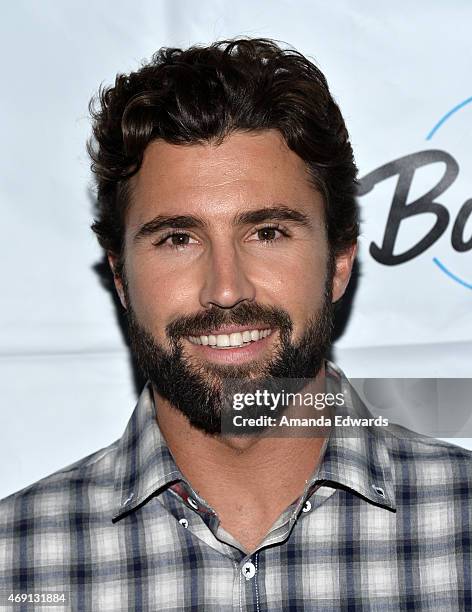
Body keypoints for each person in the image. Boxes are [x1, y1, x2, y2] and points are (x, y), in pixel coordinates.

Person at [0, 38, 470, 611]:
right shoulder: (15, 560)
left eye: (268, 233)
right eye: (178, 238)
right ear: (121, 279)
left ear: (339, 263)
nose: (225, 289)